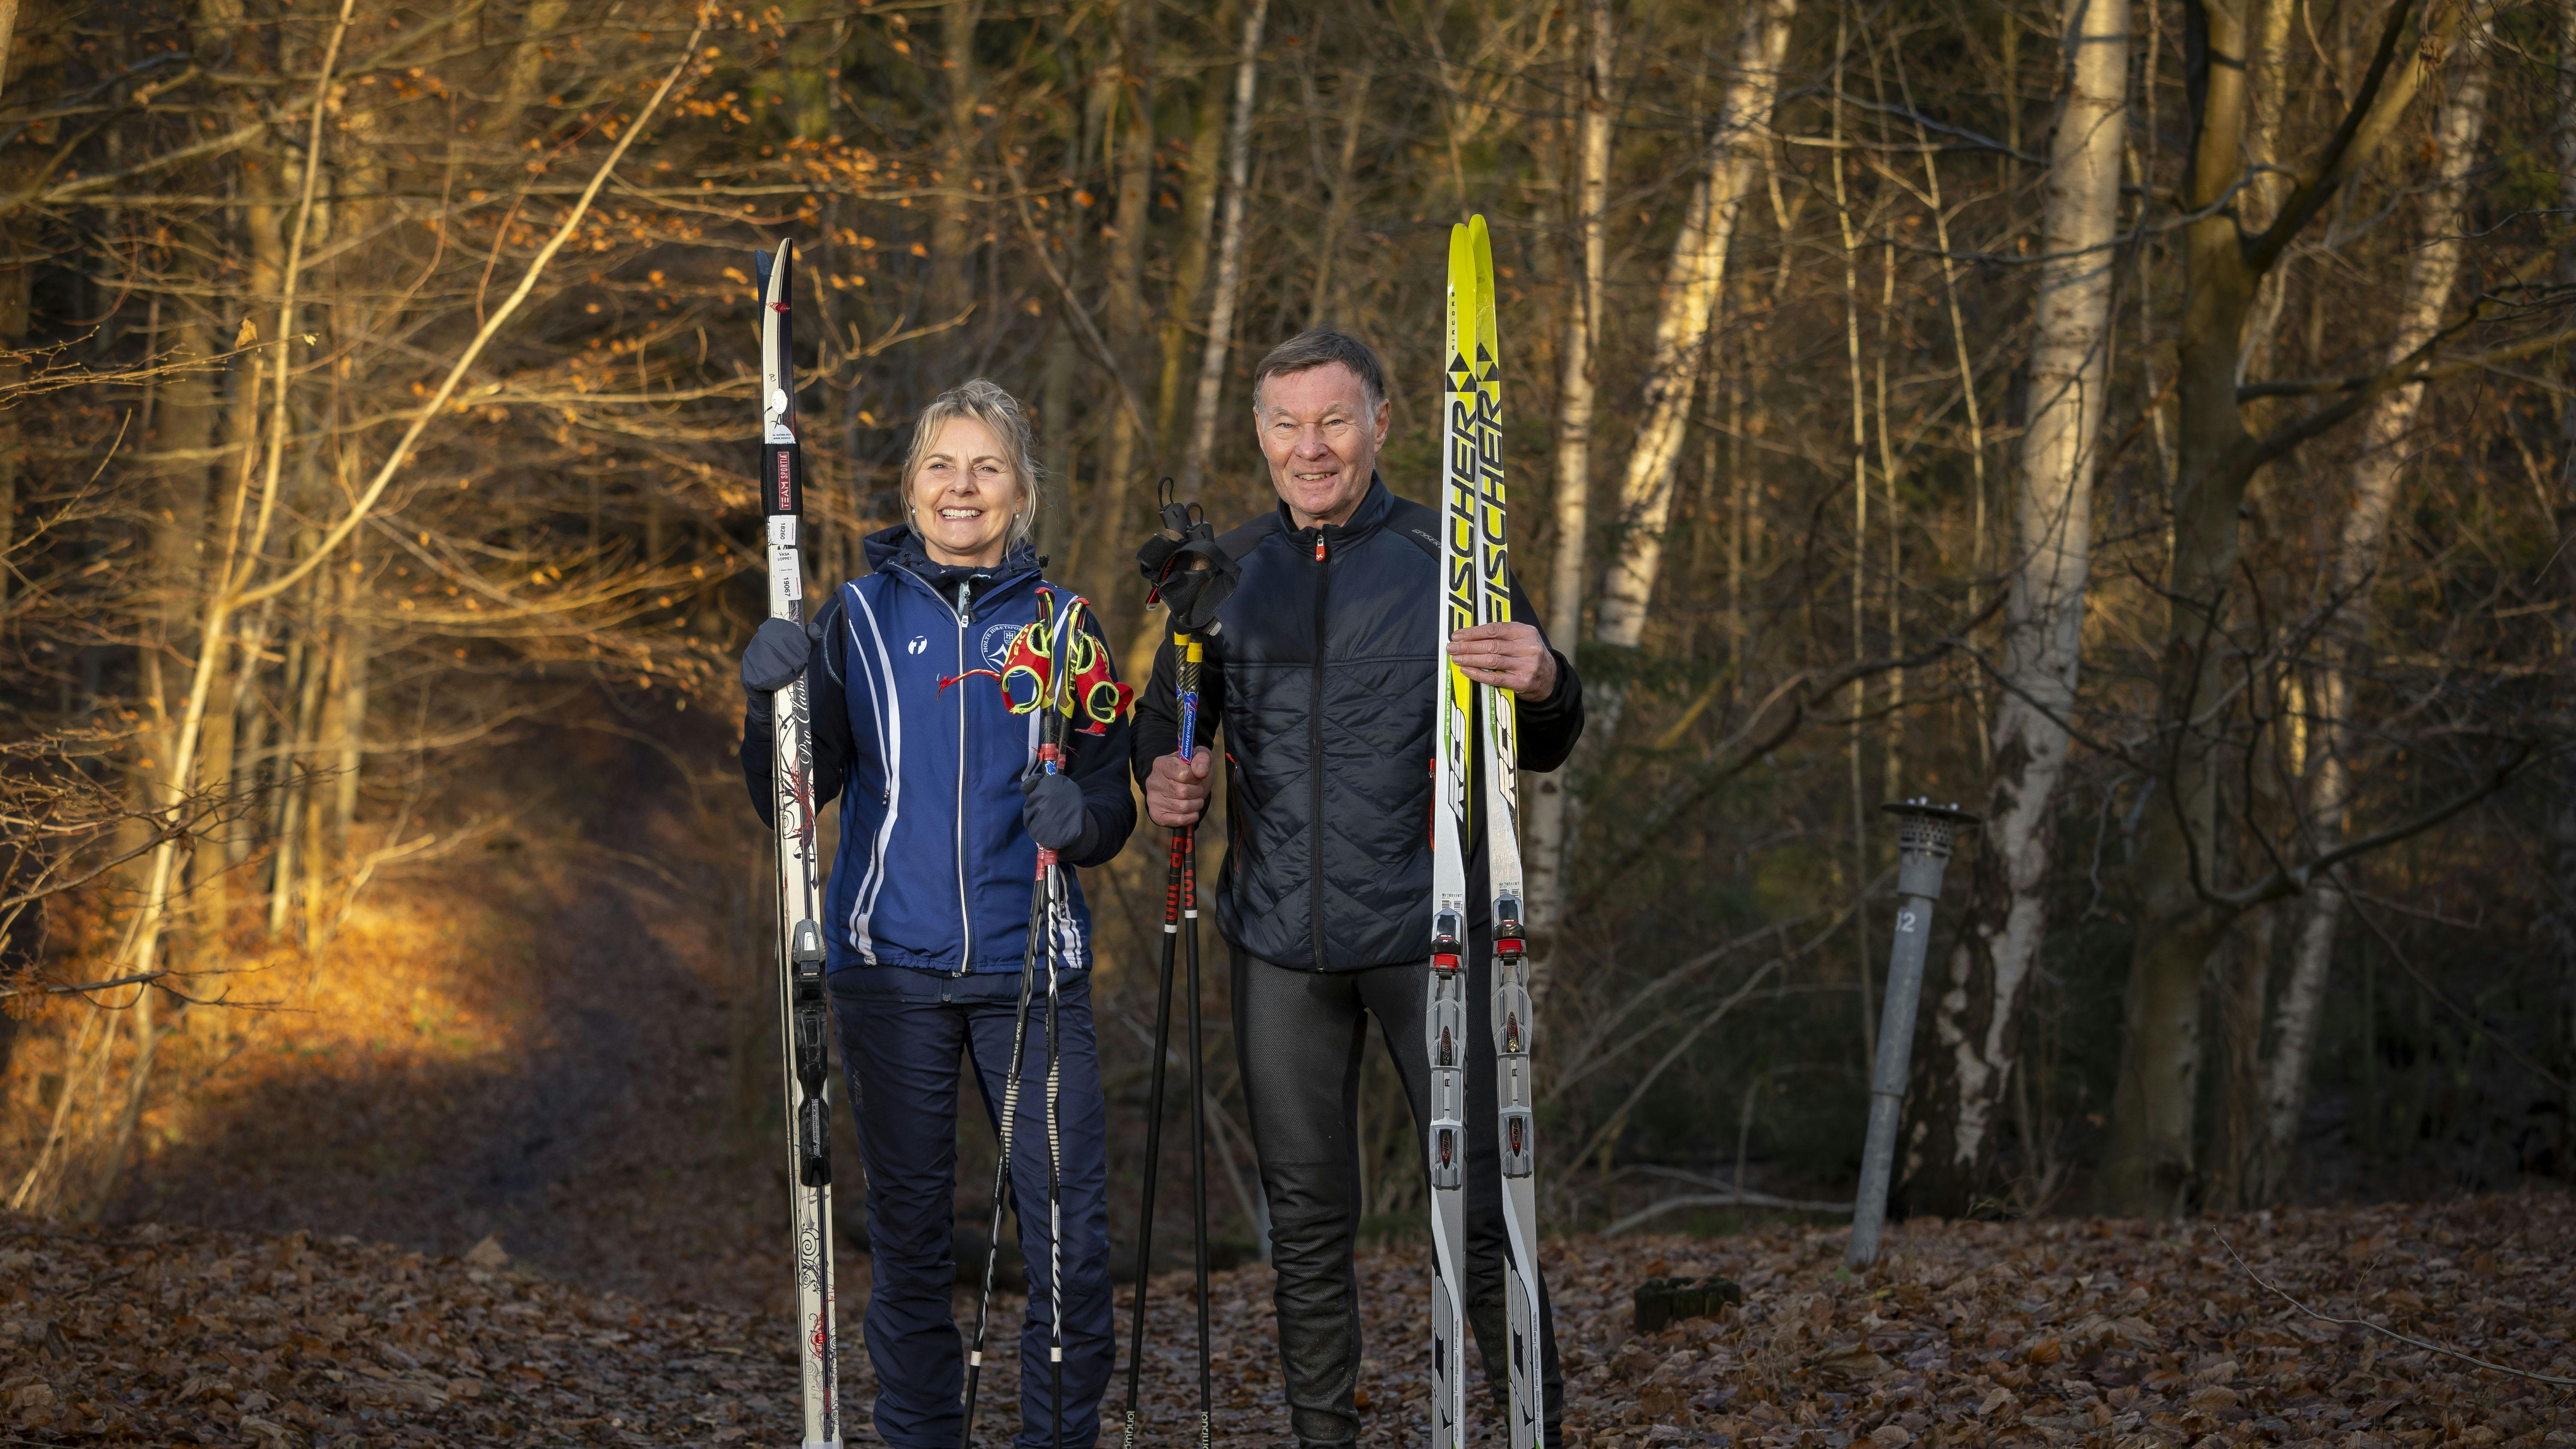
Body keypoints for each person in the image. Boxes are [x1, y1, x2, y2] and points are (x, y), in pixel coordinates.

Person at [1129, 331, 1580, 1446]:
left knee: (1480, 1212)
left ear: (1381, 423)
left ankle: (1534, 1426)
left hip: (1429, 936)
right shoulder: (1221, 580)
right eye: (1286, 424)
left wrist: (1550, 677)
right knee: (1307, 1226)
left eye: (1334, 420)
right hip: (1280, 946)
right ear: (1260, 437)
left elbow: (1549, 735)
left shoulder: (1450, 555)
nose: (1311, 447)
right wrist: (1163, 784)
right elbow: (1161, 740)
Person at [738, 378, 1134, 1449]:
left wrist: (1083, 815)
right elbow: (786, 791)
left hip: (1031, 974)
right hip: (890, 973)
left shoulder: (1066, 627)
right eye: (941, 466)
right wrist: (765, 697)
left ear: (1022, 491)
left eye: (987, 466)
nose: (963, 487)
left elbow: (1112, 799)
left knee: (1069, 1240)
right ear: (911, 490)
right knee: (911, 1241)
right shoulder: (854, 620)